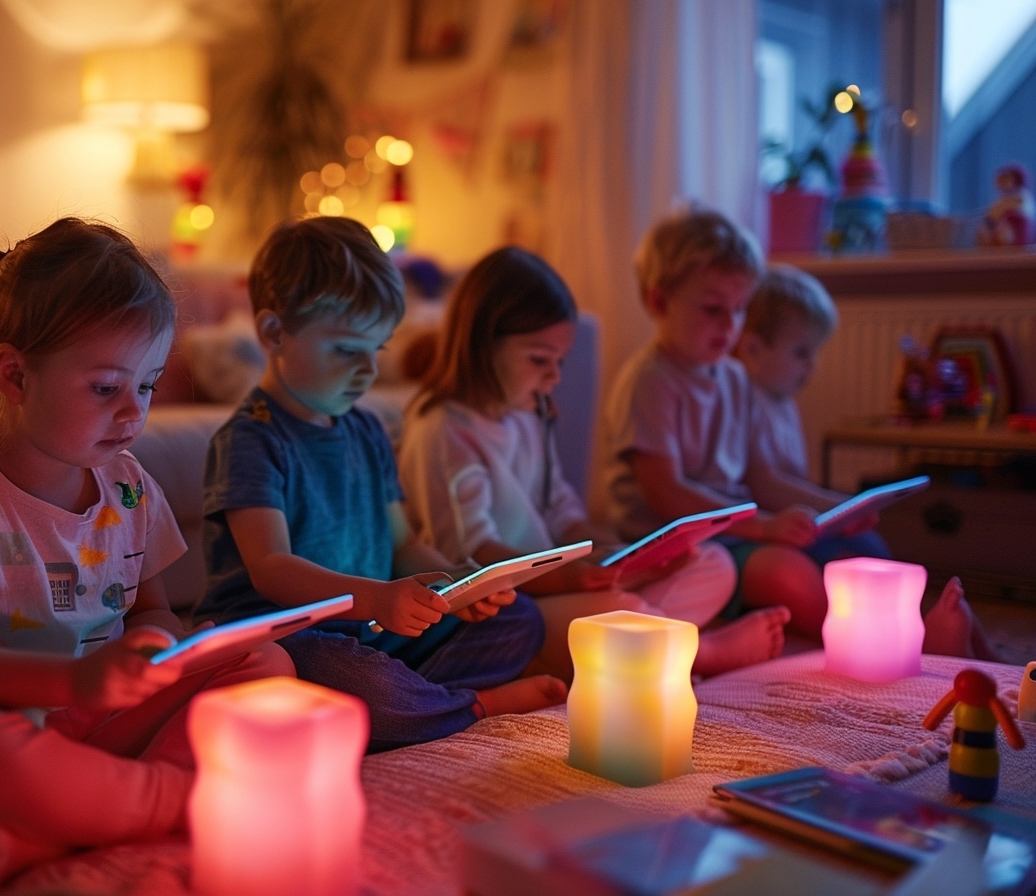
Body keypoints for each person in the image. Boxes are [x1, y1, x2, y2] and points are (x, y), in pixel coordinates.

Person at [0, 217, 295, 895]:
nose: (133, 414)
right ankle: (178, 801)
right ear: (15, 375)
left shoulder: (128, 485)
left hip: (79, 721)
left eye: (147, 386)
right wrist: (74, 682)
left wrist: (156, 652)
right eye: (106, 388)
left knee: (264, 661)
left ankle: (57, 820)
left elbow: (153, 607)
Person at [193, 216, 566, 753]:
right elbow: (271, 570)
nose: (368, 370)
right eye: (347, 350)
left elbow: (401, 545)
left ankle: (418, 704)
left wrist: (455, 587)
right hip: (287, 637)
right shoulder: (252, 439)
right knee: (357, 682)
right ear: (273, 333)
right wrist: (374, 600)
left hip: (370, 630)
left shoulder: (367, 429)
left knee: (518, 619)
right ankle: (469, 705)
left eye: (379, 349)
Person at [602, 205, 996, 658]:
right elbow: (667, 494)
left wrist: (839, 510)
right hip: (681, 548)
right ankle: (912, 645)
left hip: (738, 531)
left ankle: (972, 647)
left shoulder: (734, 378)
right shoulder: (650, 382)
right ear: (658, 302)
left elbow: (764, 478)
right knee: (787, 571)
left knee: (863, 545)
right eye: (712, 309)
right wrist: (767, 527)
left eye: (738, 310)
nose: (729, 326)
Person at [397, 246, 789, 682]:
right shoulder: (443, 429)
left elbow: (563, 513)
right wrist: (570, 578)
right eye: (539, 360)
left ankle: (644, 645)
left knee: (711, 564)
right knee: (617, 611)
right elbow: (473, 558)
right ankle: (699, 651)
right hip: (508, 609)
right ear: (482, 345)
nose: (554, 378)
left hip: (556, 588)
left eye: (559, 362)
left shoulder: (528, 412)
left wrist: (618, 556)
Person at [734, 262, 891, 566]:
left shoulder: (783, 402)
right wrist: (839, 507)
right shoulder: (744, 399)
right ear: (752, 348)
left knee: (870, 546)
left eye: (815, 352)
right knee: (860, 551)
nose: (812, 365)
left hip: (793, 522)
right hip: (764, 530)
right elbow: (764, 485)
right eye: (801, 353)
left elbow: (795, 477)